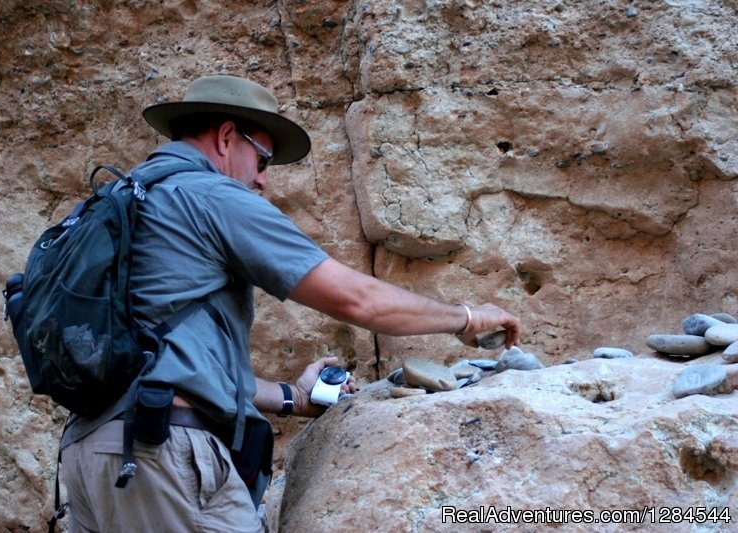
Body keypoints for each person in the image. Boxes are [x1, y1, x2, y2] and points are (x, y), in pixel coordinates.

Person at [58, 75, 521, 532]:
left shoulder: (117, 201)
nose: (263, 181)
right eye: (263, 160)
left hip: (88, 457)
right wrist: (464, 317)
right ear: (225, 137)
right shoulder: (212, 196)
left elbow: (164, 363)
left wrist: (293, 398)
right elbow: (358, 301)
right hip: (163, 458)